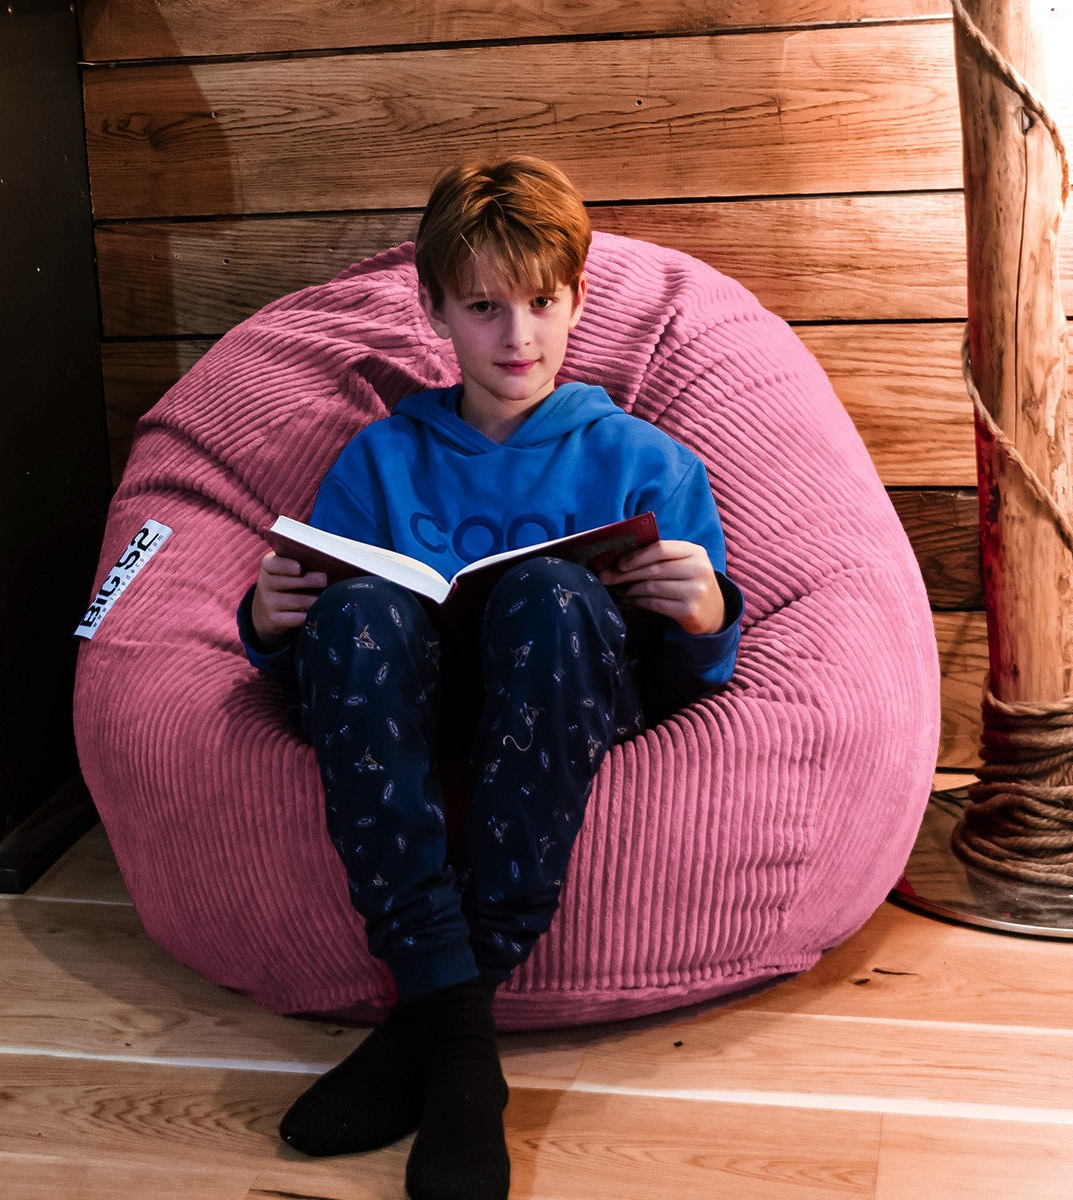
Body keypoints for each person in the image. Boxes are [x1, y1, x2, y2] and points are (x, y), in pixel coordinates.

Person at [237, 156, 744, 1200]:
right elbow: (319, 647)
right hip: (417, 699)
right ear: (433, 312)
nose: (517, 338)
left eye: (542, 304)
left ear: (578, 301)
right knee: (366, 610)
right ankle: (461, 1043)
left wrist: (707, 608)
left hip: (560, 694)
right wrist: (267, 619)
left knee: (551, 599)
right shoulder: (380, 457)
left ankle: (438, 1030)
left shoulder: (644, 460)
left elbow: (702, 664)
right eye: (482, 308)